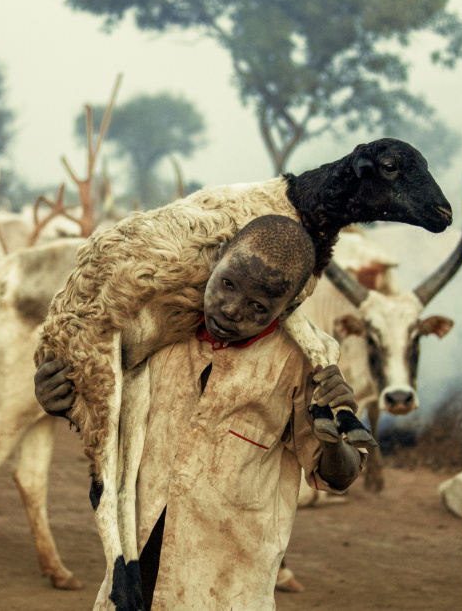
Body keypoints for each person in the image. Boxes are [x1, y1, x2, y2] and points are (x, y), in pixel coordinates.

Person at [35, 214, 365, 610]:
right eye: (226, 284)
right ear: (220, 257)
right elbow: (109, 416)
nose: (230, 309)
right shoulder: (157, 327)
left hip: (225, 592)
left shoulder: (303, 367)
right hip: (129, 584)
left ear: (288, 306)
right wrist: (60, 399)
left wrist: (332, 443)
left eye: (257, 306)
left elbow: (339, 475)